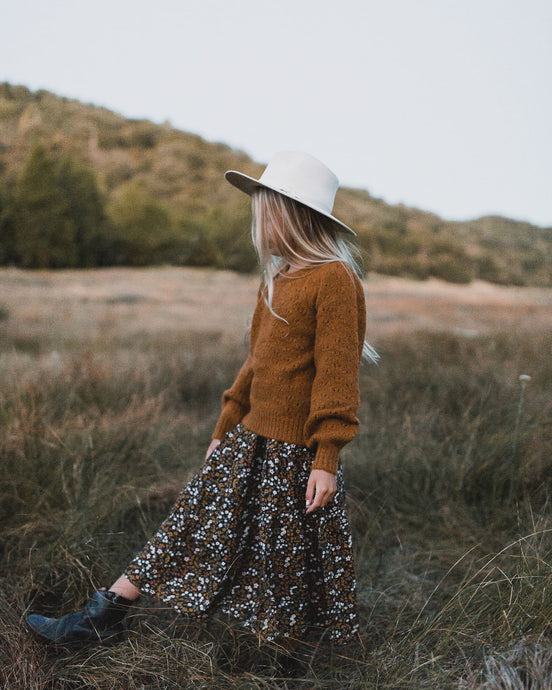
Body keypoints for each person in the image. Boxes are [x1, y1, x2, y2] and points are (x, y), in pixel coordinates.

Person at [26, 151, 378, 648]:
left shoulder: (334, 280)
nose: (256, 222)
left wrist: (327, 456)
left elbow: (337, 377)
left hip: (294, 453)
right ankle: (104, 615)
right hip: (250, 440)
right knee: (191, 522)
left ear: (289, 214)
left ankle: (287, 653)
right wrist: (223, 428)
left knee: (286, 557)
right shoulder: (277, 279)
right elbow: (255, 364)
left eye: (263, 209)